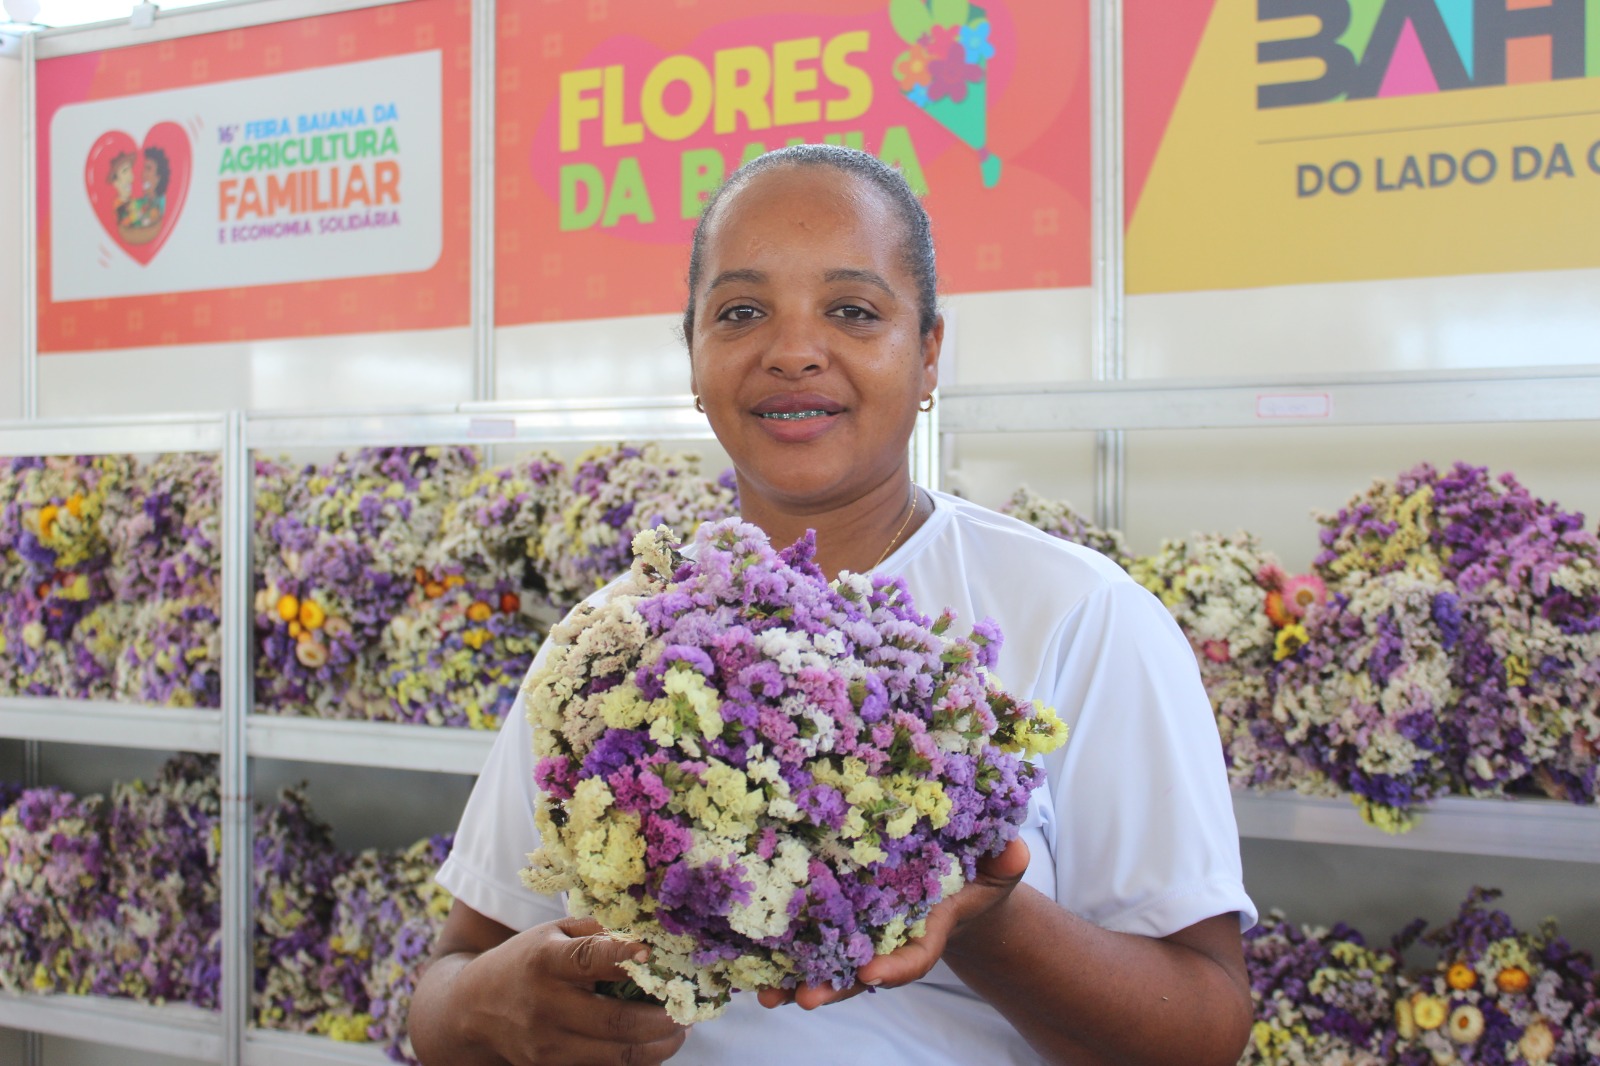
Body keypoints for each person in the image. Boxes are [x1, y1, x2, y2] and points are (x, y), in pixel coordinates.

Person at [410, 144, 1256, 1065]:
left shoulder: (1080, 617)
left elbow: (1203, 1029)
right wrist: (494, 1006)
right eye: (740, 313)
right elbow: (452, 983)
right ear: (693, 356)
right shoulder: (609, 643)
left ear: (929, 354)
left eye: (853, 311)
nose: (794, 351)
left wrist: (982, 914)